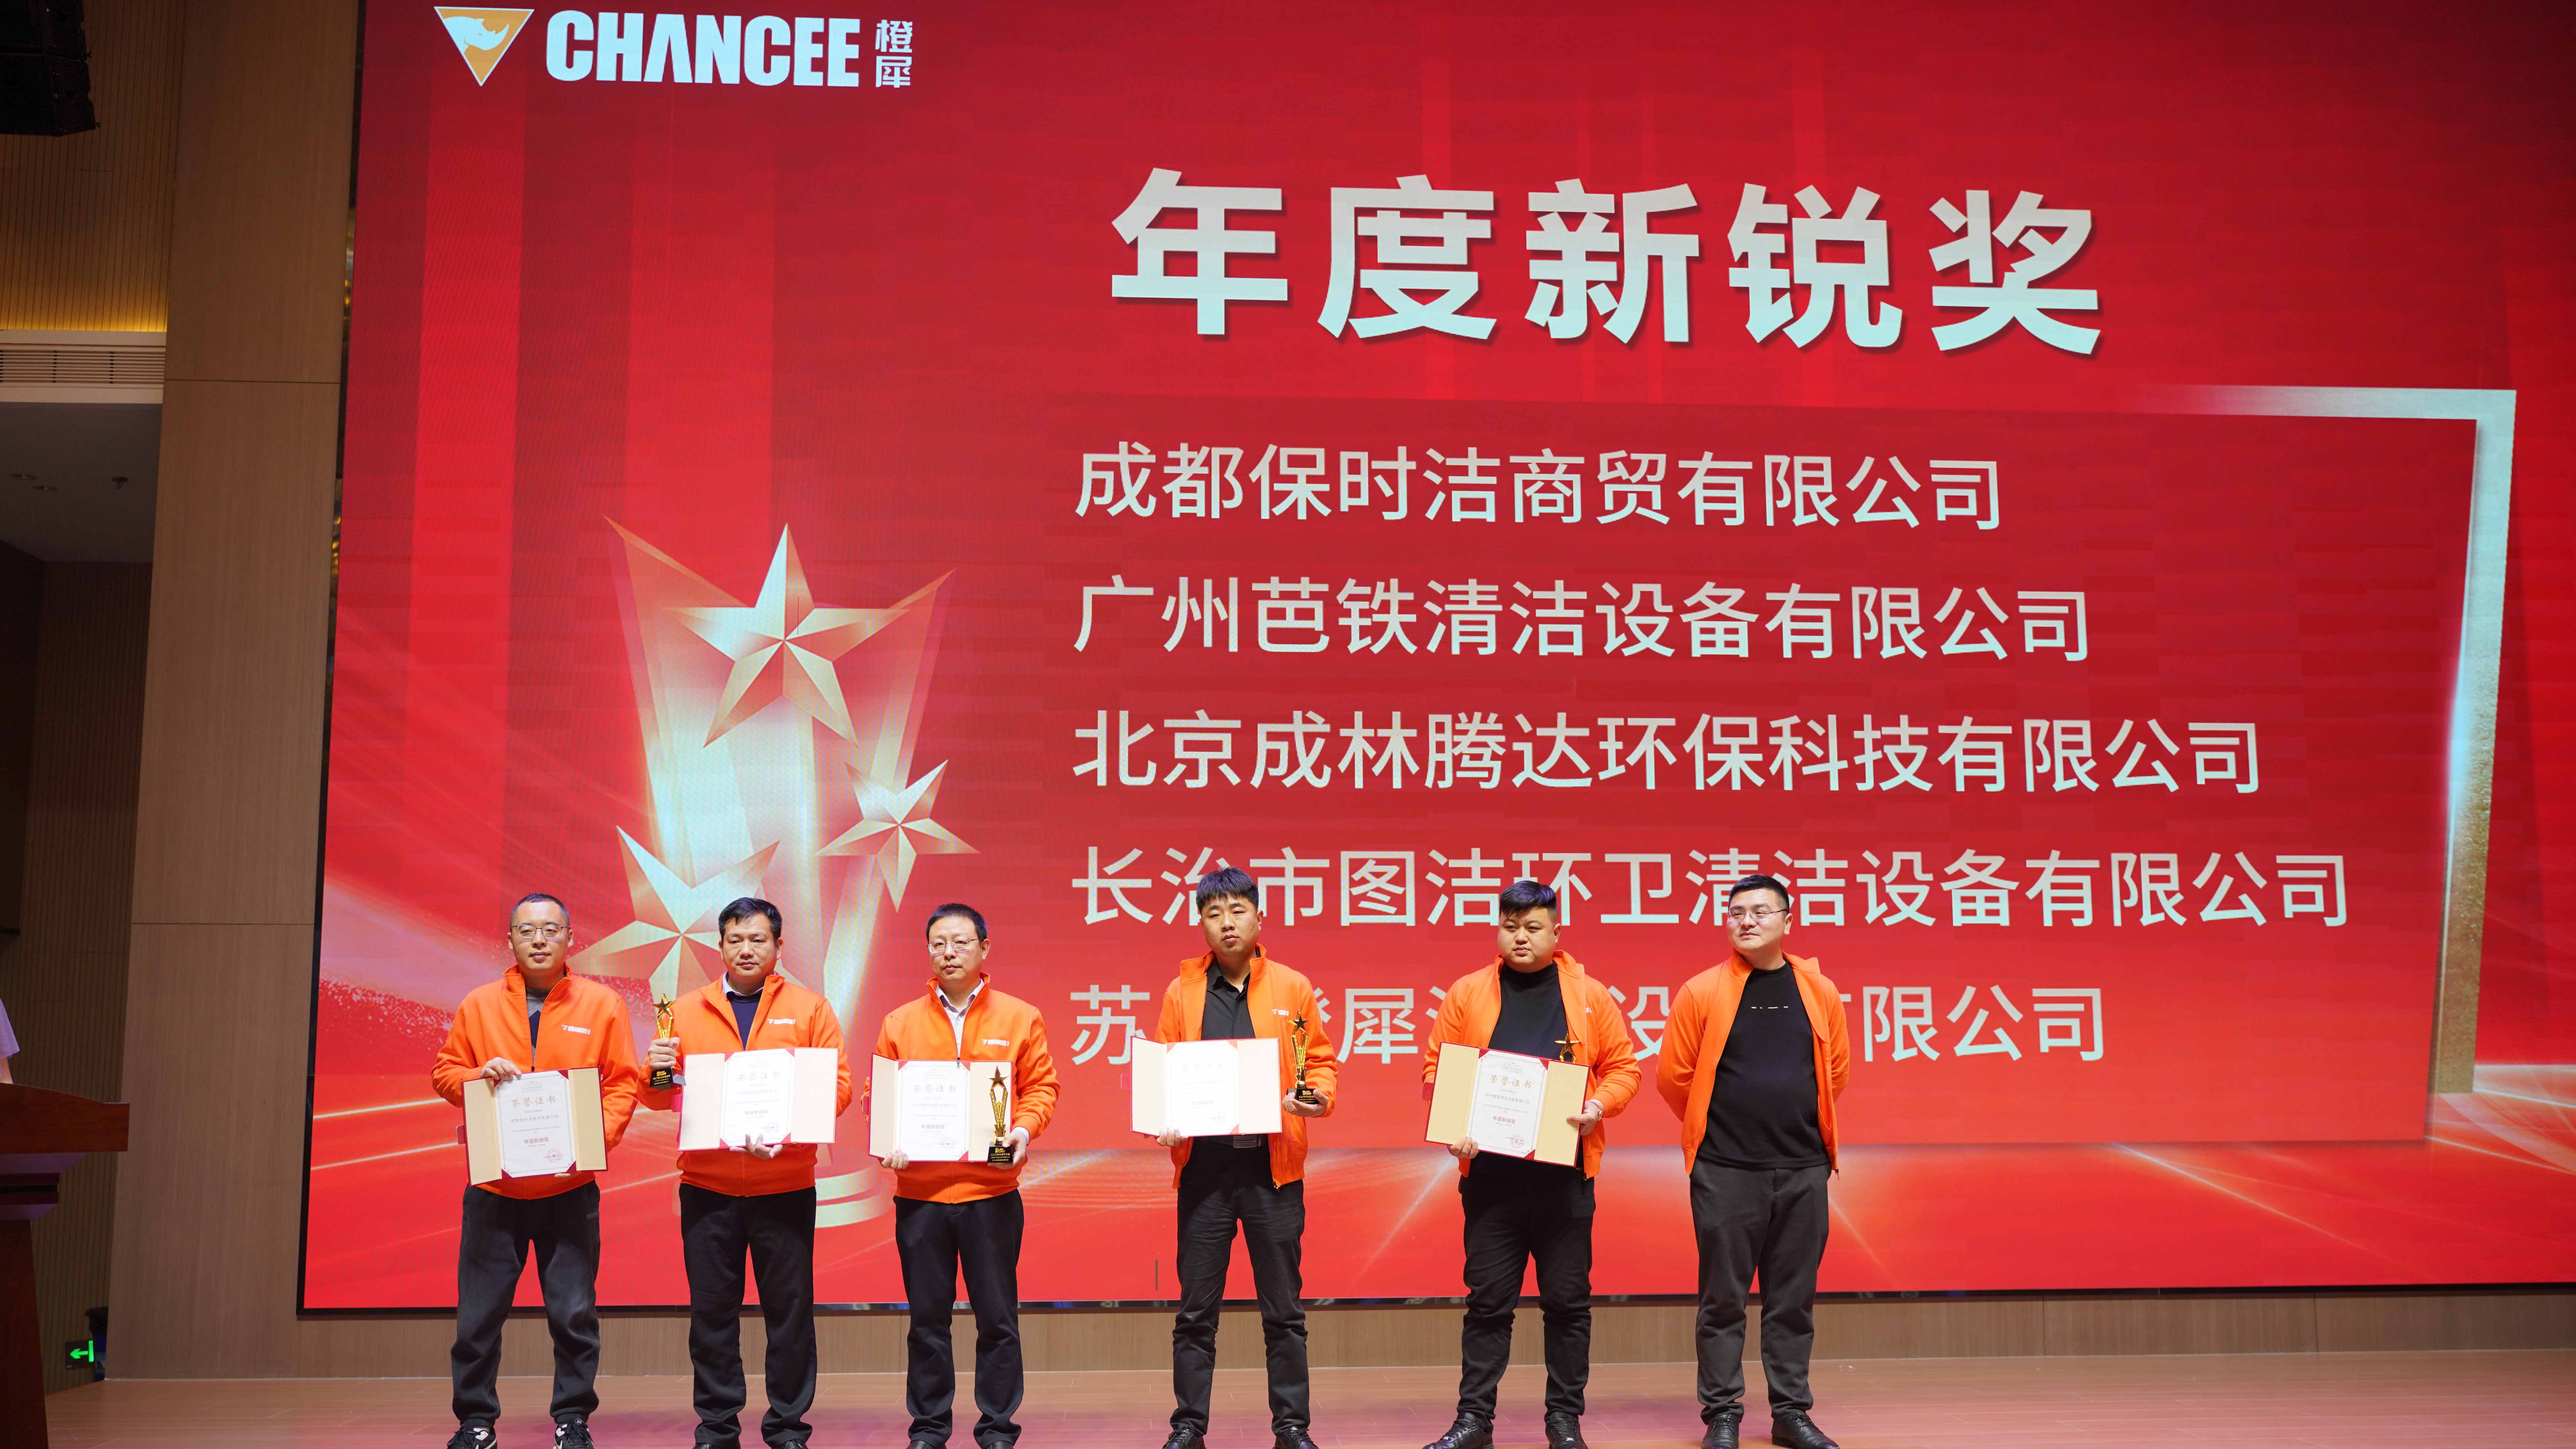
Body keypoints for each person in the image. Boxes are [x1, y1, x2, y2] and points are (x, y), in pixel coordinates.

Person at [1418, 879, 1640, 1449]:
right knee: (1487, 1305)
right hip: (1491, 1180)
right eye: (1510, 926)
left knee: (1567, 1306)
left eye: (1533, 927)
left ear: (1556, 932)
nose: (1520, 937)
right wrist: (1453, 1126)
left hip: (1565, 1180)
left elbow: (1624, 1069)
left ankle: (1564, 1422)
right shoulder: (1468, 993)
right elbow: (1436, 1069)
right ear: (1498, 929)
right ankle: (1474, 1422)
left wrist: (1597, 1106)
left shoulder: (1589, 996)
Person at [430, 892, 644, 1449]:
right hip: (494, 1185)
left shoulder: (602, 1004)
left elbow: (624, 1083)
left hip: (570, 1187)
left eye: (551, 929)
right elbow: (445, 1073)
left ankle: (573, 1419)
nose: (540, 939)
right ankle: (475, 1422)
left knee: (574, 1315)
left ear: (571, 938)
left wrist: (594, 1141)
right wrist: (479, 1074)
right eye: (527, 931)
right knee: (478, 1318)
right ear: (510, 940)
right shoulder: (479, 1004)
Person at [642, 897, 851, 1449]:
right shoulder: (683, 1011)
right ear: (719, 946)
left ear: (779, 946)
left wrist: (789, 1133)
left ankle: (788, 1428)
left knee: (789, 1314)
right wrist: (657, 1073)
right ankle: (717, 1428)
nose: (746, 950)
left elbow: (838, 1086)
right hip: (707, 1188)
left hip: (785, 1186)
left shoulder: (810, 1009)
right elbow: (658, 1097)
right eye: (735, 940)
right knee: (712, 1315)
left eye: (758, 940)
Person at [1656, 874, 1851, 1449]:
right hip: (1725, 1169)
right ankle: (1722, 1415)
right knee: (1722, 1301)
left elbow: (1835, 1071)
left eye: (1760, 911)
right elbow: (1674, 1077)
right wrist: (1717, 1128)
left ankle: (1791, 1413)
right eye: (1736, 912)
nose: (1746, 921)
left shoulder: (1818, 990)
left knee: (1792, 1301)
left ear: (1788, 921)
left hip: (1803, 1167)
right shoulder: (1701, 991)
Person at [1150, 867, 1337, 1449]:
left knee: (1284, 1311)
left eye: (1237, 911)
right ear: (1201, 924)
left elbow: (1320, 1063)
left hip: (1271, 1168)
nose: (1226, 923)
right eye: (1214, 914)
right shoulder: (1181, 992)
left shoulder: (1292, 987)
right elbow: (1163, 1071)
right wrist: (1162, 1117)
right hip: (1204, 1170)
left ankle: (1291, 1427)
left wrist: (1315, 1097)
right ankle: (1188, 1427)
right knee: (1195, 1312)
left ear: (1260, 918)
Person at [871, 903, 1059, 1449]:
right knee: (927, 1320)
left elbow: (1041, 1088)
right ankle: (929, 1428)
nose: (948, 953)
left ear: (984, 948)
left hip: (991, 1193)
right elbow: (878, 1097)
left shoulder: (1019, 1017)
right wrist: (888, 1141)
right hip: (921, 1196)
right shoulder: (900, 1022)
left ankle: (997, 1428)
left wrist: (1021, 1132)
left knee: (997, 1319)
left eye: (960, 942)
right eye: (938, 944)